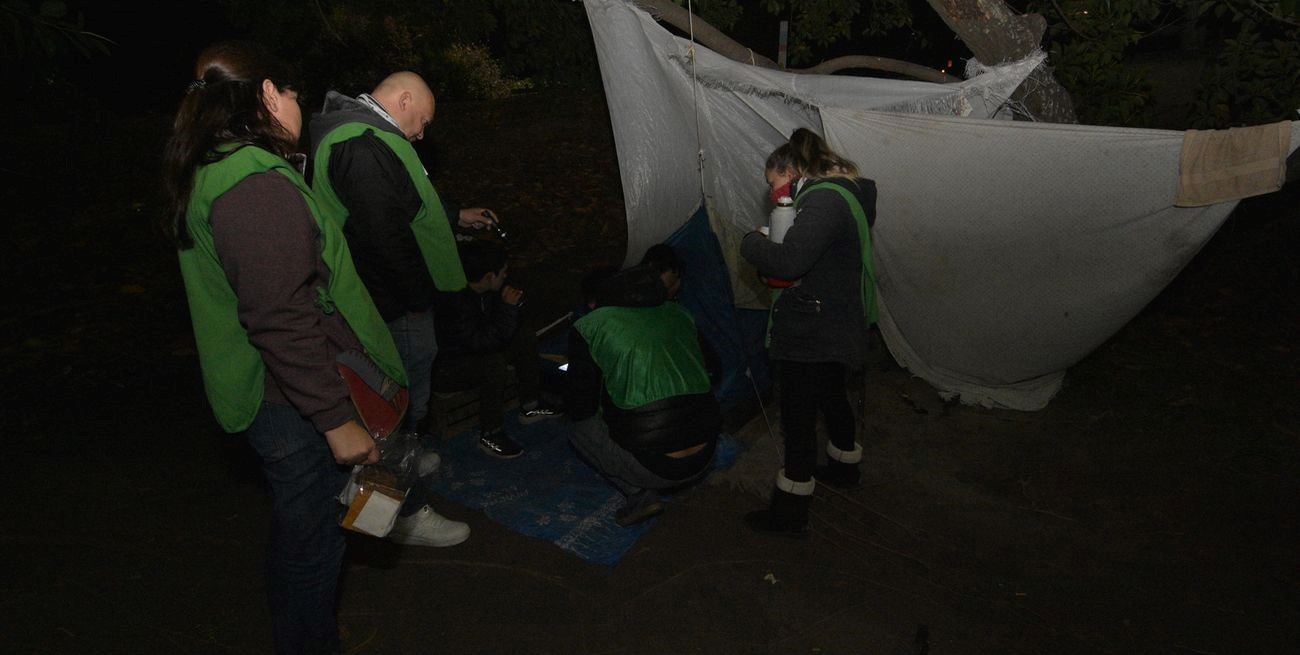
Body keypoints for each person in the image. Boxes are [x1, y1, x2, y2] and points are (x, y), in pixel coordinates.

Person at [161, 41, 405, 653]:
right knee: (314, 546)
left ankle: (300, 626)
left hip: (284, 399)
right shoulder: (252, 185)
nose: (300, 104)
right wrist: (336, 422)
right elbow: (280, 320)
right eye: (295, 92)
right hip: (292, 408)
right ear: (269, 93)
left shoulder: (219, 168)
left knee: (301, 537)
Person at [307, 71, 493, 546]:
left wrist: (453, 217)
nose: (421, 134)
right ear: (404, 99)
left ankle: (408, 454)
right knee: (391, 407)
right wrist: (416, 303)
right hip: (389, 305)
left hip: (393, 300)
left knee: (405, 402)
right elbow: (383, 238)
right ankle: (403, 513)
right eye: (423, 121)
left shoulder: (371, 137)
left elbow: (402, 201)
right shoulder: (362, 145)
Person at [738, 127, 878, 536]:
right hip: (833, 321)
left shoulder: (822, 199)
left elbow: (790, 262)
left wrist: (751, 243)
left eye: (772, 182)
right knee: (832, 396)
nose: (771, 192)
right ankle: (843, 467)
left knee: (798, 417)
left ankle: (790, 512)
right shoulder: (838, 195)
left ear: (792, 169)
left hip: (815, 330)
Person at [564, 264, 723, 526]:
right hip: (706, 454)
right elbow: (715, 370)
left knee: (578, 428)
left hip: (656, 468)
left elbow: (580, 406)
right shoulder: (679, 312)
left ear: (594, 302)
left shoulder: (591, 326)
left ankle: (640, 496)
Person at [432, 239, 562, 459]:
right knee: (493, 364)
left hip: (477, 351)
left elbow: (497, 332)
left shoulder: (487, 290)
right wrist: (508, 310)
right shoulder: (456, 302)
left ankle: (530, 404)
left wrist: (511, 307)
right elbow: (482, 343)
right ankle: (491, 434)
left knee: (524, 336)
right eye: (502, 272)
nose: (506, 276)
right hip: (448, 368)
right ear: (488, 277)